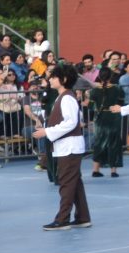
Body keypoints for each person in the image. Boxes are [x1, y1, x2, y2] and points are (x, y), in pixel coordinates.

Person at [33, 62, 92, 231]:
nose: (50, 79)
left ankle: (63, 219)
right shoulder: (65, 97)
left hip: (69, 147)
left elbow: (72, 122)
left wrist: (47, 131)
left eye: (54, 77)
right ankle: (82, 217)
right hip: (68, 146)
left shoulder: (66, 97)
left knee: (66, 183)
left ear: (63, 79)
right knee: (75, 182)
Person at [89, 68, 124, 178]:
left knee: (99, 143)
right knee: (114, 143)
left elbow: (91, 106)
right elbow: (121, 103)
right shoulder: (117, 89)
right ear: (110, 76)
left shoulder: (94, 91)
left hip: (100, 118)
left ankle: (96, 170)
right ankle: (113, 170)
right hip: (113, 117)